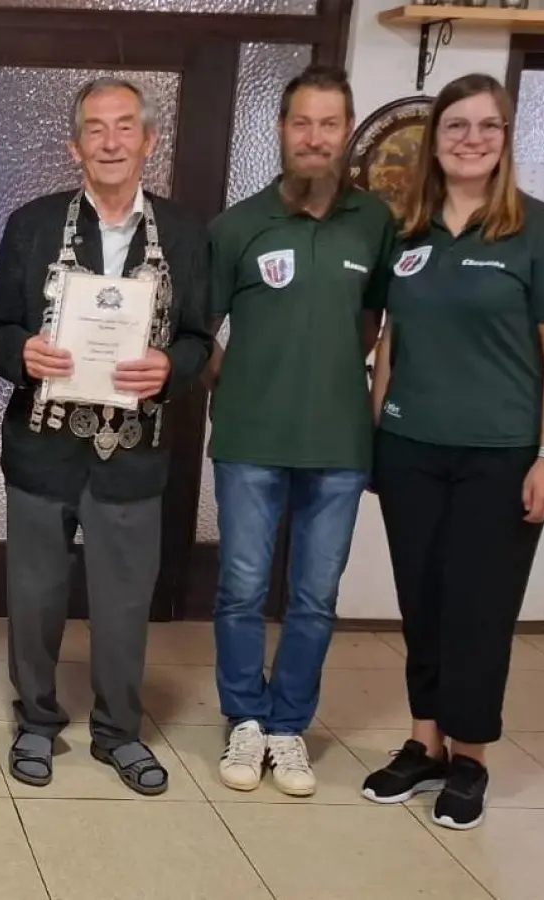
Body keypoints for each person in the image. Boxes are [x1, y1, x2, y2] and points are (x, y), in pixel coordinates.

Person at [361, 74, 544, 830]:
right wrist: (374, 429)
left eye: (488, 127)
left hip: (500, 454)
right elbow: (392, 338)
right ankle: (424, 743)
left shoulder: (539, 232)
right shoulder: (410, 229)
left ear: (506, 139)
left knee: (479, 609)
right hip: (410, 447)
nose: (471, 140)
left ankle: (472, 755)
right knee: (422, 599)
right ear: (436, 140)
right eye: (457, 126)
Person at [0, 77, 212, 794]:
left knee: (122, 601)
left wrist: (169, 367)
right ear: (74, 145)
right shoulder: (32, 222)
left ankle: (119, 731)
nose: (110, 142)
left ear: (150, 141)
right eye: (95, 129)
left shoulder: (184, 230)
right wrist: (19, 353)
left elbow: (203, 338)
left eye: (125, 128)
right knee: (35, 594)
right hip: (42, 446)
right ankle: (37, 721)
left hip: (134, 452)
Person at [205, 64, 395, 797]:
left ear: (346, 134)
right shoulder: (237, 226)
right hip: (250, 441)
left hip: (340, 447)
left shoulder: (375, 224)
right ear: (281, 132)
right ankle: (245, 721)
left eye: (329, 124)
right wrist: (244, 381)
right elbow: (201, 331)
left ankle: (289, 729)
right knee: (242, 589)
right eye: (301, 123)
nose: (314, 138)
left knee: (315, 596)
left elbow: (376, 324)